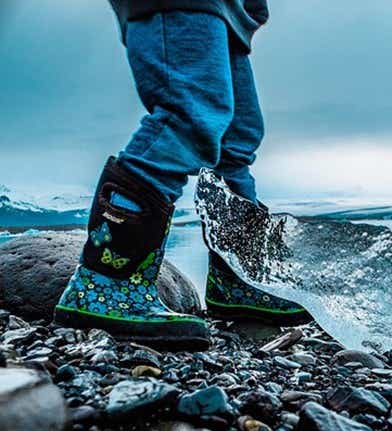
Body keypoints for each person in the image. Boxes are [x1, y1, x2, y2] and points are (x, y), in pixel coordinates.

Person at [53, 0, 312, 351]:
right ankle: (104, 283)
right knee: (189, 117)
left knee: (236, 141)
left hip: (229, 12)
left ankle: (236, 281)